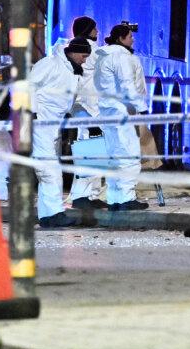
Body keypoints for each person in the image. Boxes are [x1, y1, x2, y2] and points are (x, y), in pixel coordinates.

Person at [28, 35, 92, 228]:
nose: (84, 60)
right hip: (41, 123)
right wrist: (31, 112)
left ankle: (48, 215)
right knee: (49, 169)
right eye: (83, 56)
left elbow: (71, 100)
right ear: (74, 52)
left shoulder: (72, 71)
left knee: (49, 169)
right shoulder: (50, 64)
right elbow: (28, 85)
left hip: (52, 125)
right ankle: (54, 213)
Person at [92, 23, 149, 211]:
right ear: (121, 38)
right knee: (129, 155)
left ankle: (114, 199)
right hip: (123, 112)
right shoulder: (121, 56)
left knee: (114, 157)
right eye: (130, 36)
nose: (133, 39)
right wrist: (142, 108)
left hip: (107, 111)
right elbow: (127, 85)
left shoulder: (103, 56)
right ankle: (126, 198)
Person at [56, 16, 106, 210]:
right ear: (87, 29)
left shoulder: (75, 47)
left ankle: (89, 195)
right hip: (90, 107)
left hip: (82, 106)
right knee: (90, 150)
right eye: (94, 28)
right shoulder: (89, 48)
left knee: (91, 149)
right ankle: (83, 196)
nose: (97, 32)